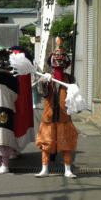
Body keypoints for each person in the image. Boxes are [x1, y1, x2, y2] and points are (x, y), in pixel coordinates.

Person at [0, 47, 34, 174]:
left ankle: (5, 164)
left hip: (5, 103)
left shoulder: (13, 75)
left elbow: (14, 92)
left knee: (3, 132)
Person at [35, 37, 78, 178]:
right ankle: (44, 168)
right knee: (46, 143)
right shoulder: (47, 77)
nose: (58, 58)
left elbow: (75, 97)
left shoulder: (70, 79)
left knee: (66, 144)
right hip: (49, 116)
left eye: (61, 56)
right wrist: (43, 82)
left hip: (65, 117)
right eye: (56, 55)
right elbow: (43, 94)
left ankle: (67, 169)